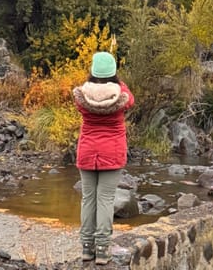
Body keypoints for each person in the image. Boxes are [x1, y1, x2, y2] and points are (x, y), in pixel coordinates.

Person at [73, 51, 134, 265]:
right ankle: (102, 250)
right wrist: (119, 81)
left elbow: (82, 92)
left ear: (92, 70)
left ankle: (87, 248)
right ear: (114, 73)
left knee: (88, 199)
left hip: (88, 151)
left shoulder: (82, 95)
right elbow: (129, 98)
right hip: (112, 152)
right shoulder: (120, 94)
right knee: (106, 199)